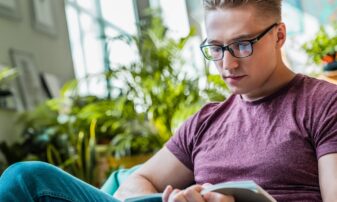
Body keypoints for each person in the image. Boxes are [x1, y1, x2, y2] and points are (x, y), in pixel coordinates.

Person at [1, 0, 337, 202]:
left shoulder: (323, 104)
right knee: (25, 179)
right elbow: (136, 182)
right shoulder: (207, 120)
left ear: (279, 35)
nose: (228, 64)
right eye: (215, 48)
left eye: (243, 44)